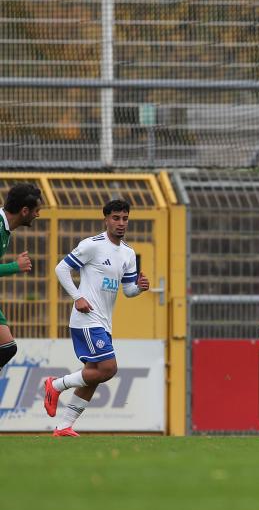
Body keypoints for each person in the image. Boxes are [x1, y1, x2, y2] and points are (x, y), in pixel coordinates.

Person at [44, 200, 151, 437]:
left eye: (125, 218)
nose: (121, 223)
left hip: (104, 321)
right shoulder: (92, 245)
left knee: (93, 374)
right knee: (108, 368)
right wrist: (77, 297)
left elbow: (128, 291)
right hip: (86, 319)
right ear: (106, 219)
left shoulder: (128, 253)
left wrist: (140, 288)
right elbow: (61, 269)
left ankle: (64, 426)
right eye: (116, 218)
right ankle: (55, 384)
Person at [0, 184, 40, 374]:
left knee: (7, 347)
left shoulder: (4, 228)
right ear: (24, 211)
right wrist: (15, 267)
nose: (38, 214)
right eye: (36, 210)